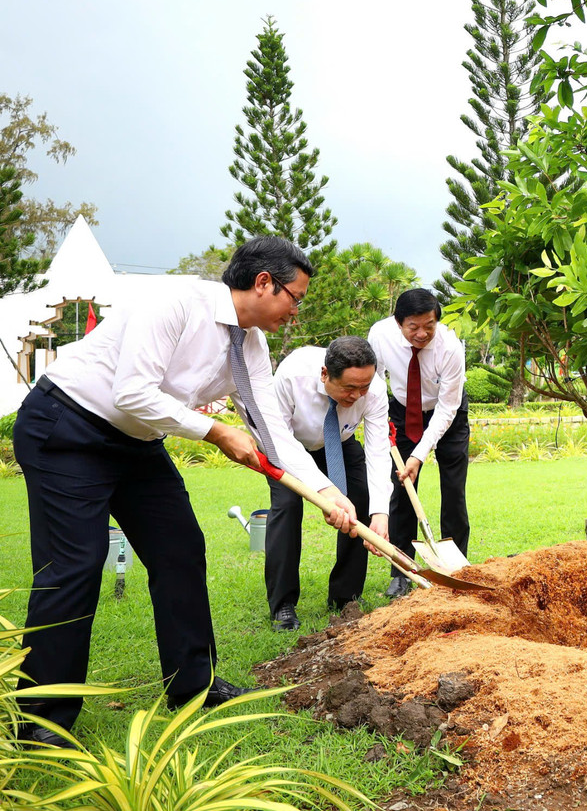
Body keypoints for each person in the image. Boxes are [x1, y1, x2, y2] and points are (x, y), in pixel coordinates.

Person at [11, 236, 358, 747]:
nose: (296, 311)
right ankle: (41, 721)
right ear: (264, 283)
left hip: (138, 440)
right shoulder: (174, 303)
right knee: (75, 567)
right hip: (69, 427)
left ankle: (192, 684)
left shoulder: (251, 346)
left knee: (180, 551)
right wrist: (214, 431)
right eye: (295, 298)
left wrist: (329, 492)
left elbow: (272, 429)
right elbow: (131, 392)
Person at [264, 336, 392, 630]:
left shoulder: (374, 391)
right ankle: (283, 604)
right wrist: (324, 491)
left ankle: (345, 598)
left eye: (364, 387)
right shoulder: (291, 375)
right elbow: (278, 439)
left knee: (360, 499)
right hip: (289, 447)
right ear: (325, 374)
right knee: (287, 506)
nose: (358, 395)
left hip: (340, 442)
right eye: (349, 388)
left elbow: (377, 451)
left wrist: (381, 513)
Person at [368, 288, 468, 598]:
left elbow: (447, 409)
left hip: (446, 413)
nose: (422, 334)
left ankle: (456, 569)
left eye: (429, 325)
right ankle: (402, 571)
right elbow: (375, 379)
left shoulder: (451, 348)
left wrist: (420, 454)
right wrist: (380, 419)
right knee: (400, 491)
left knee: (453, 490)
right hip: (400, 410)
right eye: (414, 327)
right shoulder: (380, 335)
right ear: (398, 323)